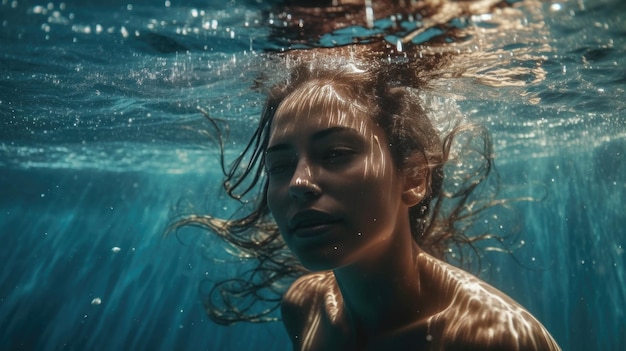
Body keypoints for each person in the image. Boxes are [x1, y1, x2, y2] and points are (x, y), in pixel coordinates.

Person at [169, 56, 561, 350]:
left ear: (413, 178)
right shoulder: (304, 306)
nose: (299, 184)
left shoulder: (497, 339)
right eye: (280, 166)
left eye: (336, 153)